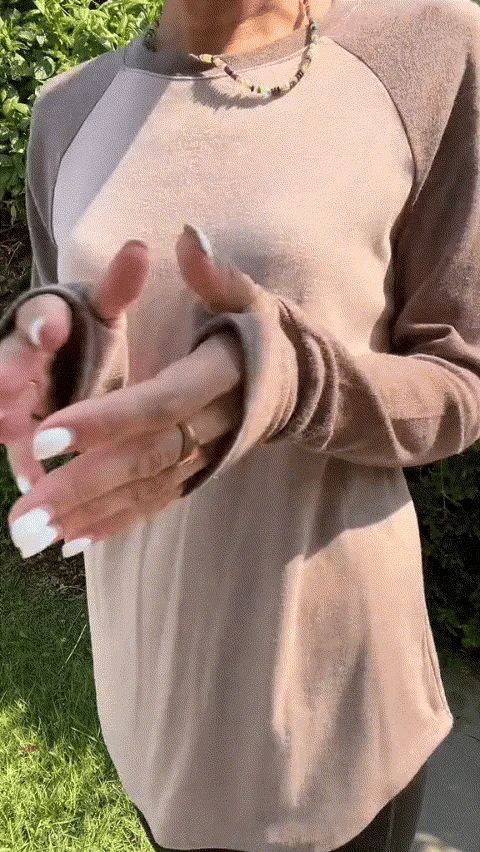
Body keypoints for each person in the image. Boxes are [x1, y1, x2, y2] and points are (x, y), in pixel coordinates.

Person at [1, 0, 480, 848]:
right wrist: (55, 358)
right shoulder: (67, 111)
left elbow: (459, 378)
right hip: (153, 696)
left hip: (335, 716)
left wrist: (293, 380)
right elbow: (97, 349)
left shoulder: (430, 48)